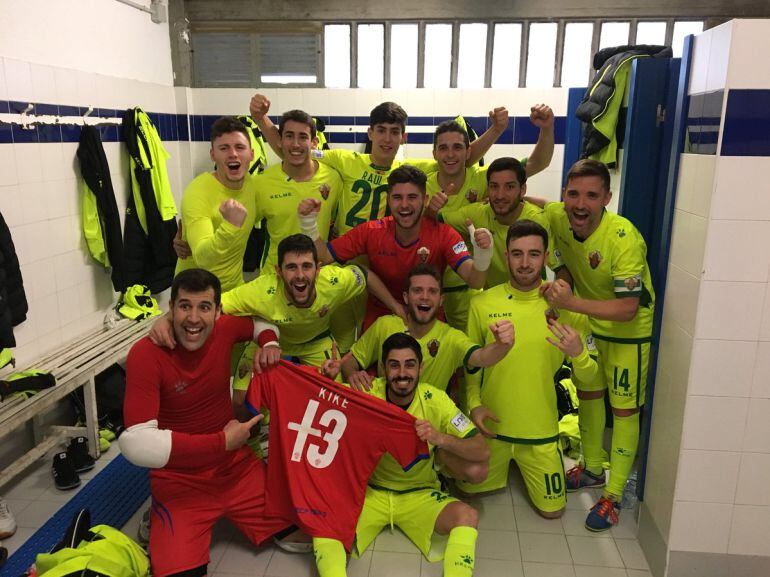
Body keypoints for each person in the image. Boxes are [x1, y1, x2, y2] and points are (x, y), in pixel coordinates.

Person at [120, 269, 295, 577]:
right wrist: (221, 443)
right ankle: (160, 516)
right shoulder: (146, 354)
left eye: (204, 307)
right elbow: (136, 444)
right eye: (185, 306)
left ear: (217, 312)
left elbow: (260, 325)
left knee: (305, 530)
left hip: (235, 468)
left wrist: (268, 345)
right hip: (180, 481)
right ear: (171, 308)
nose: (193, 318)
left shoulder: (224, 329)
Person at [150, 235, 393, 415]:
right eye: (291, 267)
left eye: (307, 267)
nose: (300, 275)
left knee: (337, 402)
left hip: (316, 342)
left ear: (318, 269)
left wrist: (398, 308)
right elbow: (211, 304)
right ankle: (257, 448)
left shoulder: (334, 281)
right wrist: (167, 317)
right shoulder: (261, 291)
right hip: (268, 343)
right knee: (240, 403)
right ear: (278, 271)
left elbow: (364, 273)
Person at [541, 159, 655, 531]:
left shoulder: (623, 238)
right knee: (589, 395)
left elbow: (626, 308)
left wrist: (569, 302)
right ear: (564, 194)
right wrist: (562, 281)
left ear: (607, 197)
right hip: (590, 324)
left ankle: (614, 495)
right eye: (573, 193)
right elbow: (541, 210)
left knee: (623, 411)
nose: (580, 203)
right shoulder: (559, 217)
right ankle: (591, 470)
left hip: (627, 332)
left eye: (592, 195)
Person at [459, 220, 599, 520]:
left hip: (539, 432)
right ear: (505, 256)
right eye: (517, 253)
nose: (525, 263)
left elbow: (590, 378)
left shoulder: (567, 308)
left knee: (553, 512)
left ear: (546, 256)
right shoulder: (482, 303)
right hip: (492, 429)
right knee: (467, 491)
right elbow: (470, 366)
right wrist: (474, 405)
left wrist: (579, 355)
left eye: (534, 254)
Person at [250, 95, 509, 236]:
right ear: (370, 133)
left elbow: (461, 159)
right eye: (381, 131)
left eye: (394, 132)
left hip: (386, 256)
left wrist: (496, 130)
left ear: (403, 137)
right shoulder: (344, 160)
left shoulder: (410, 171)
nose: (387, 138)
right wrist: (262, 120)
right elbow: (294, 151)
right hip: (345, 253)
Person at [350, 333, 490, 577]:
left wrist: (439, 438)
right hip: (370, 491)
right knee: (326, 517)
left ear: (421, 368)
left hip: (420, 493)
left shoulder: (436, 399)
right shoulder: (367, 391)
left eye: (410, 364)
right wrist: (329, 375)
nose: (402, 373)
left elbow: (482, 449)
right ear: (383, 369)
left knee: (468, 515)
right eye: (394, 365)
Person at [299, 164, 494, 331]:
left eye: (412, 197)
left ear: (425, 200)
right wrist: (309, 223)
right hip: (380, 319)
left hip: (428, 320)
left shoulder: (444, 234)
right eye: (397, 198)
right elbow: (323, 256)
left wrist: (483, 252)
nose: (404, 205)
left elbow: (475, 280)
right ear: (389, 200)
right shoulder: (371, 231)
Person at [425, 109, 554, 328]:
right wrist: (429, 212)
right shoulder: (424, 185)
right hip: (434, 282)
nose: (450, 154)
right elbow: (418, 226)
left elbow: (537, 164)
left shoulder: (486, 178)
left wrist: (547, 128)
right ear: (434, 153)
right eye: (443, 148)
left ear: (468, 152)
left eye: (457, 147)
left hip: (474, 284)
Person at [340, 263, 514, 392]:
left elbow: (482, 358)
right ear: (406, 297)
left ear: (441, 301)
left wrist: (502, 345)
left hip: (426, 431)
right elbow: (349, 361)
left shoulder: (451, 338)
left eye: (432, 291)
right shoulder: (384, 325)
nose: (424, 297)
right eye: (417, 291)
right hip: (385, 422)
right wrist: (353, 374)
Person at [432, 157, 558, 292]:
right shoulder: (477, 213)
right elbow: (433, 220)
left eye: (509, 187)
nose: (500, 195)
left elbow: (559, 268)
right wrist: (432, 208)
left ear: (522, 190)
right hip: (492, 302)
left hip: (531, 300)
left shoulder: (538, 220)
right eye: (494, 187)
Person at [175, 117, 258, 292]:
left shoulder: (252, 185)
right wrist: (230, 226)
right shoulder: (197, 192)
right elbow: (202, 258)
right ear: (213, 154)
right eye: (224, 148)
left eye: (239, 147)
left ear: (251, 154)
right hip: (195, 295)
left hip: (234, 290)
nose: (233, 154)